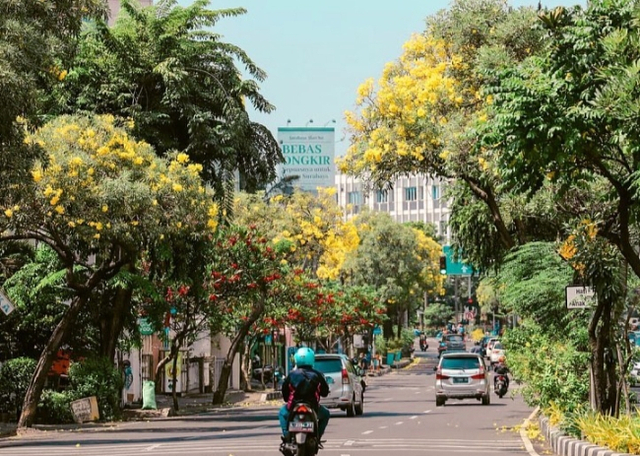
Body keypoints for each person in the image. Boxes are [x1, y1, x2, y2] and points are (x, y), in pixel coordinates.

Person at [278, 347, 330, 452]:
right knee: (326, 414)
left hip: (293, 406)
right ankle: (317, 438)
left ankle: (287, 436)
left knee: (282, 413)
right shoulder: (317, 375)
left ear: (297, 359)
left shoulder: (292, 375)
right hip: (312, 407)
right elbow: (324, 392)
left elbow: (285, 394)